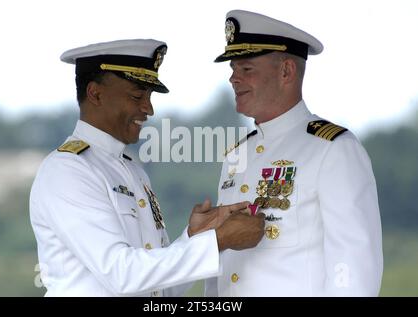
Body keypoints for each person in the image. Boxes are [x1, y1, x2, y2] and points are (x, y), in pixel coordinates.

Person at [29, 38, 265, 297]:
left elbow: (157, 291)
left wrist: (195, 238)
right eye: (137, 96)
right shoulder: (68, 170)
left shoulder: (132, 170)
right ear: (95, 93)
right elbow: (122, 275)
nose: (148, 108)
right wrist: (218, 241)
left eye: (149, 96)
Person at [205, 10, 383, 296]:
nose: (233, 79)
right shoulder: (236, 155)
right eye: (233, 69)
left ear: (286, 71)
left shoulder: (333, 149)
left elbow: (353, 272)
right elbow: (225, 265)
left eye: (246, 69)